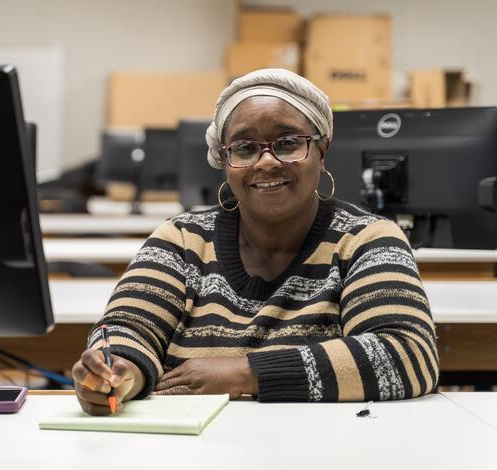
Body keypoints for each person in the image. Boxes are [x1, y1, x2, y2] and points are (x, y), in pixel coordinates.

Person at [72, 68, 439, 415]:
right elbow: (129, 328)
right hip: (195, 449)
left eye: (289, 143)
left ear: (322, 150)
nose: (266, 162)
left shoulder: (366, 239)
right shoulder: (182, 240)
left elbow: (406, 354)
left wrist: (245, 373)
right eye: (245, 148)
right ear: (224, 160)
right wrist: (118, 373)